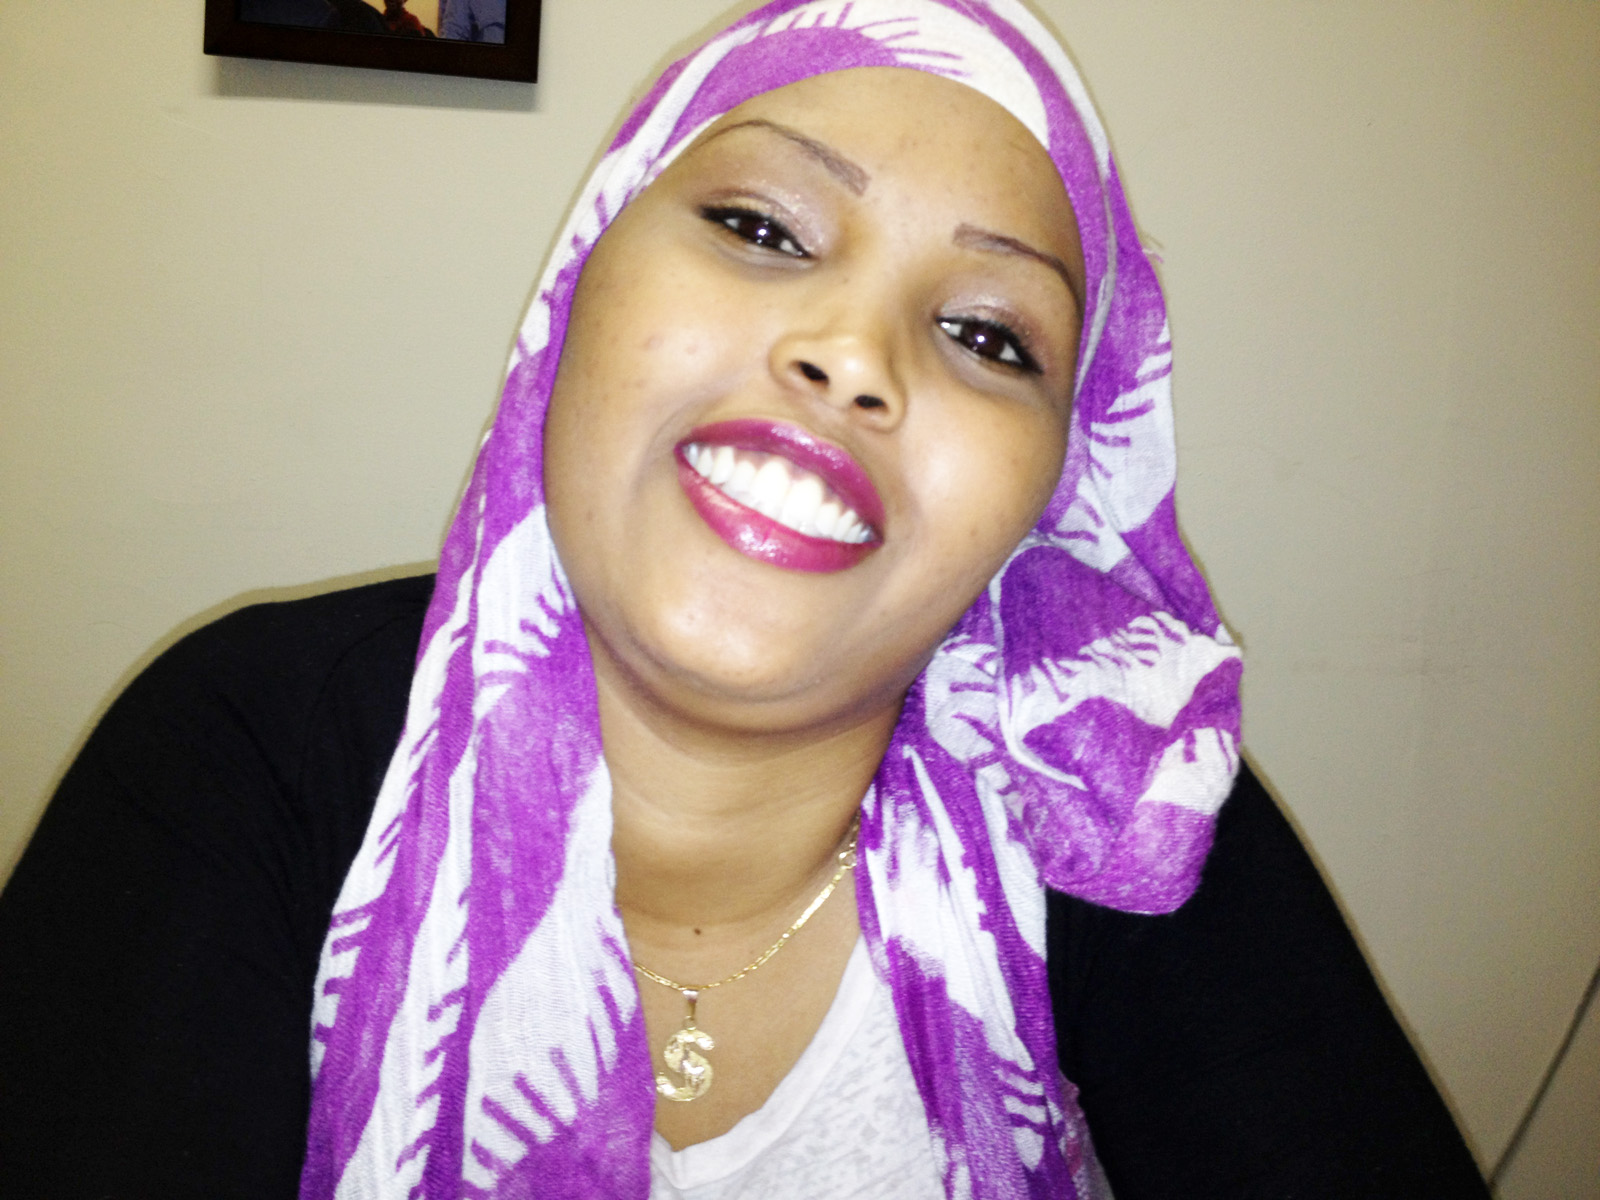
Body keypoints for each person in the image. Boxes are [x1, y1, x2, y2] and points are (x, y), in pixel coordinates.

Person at [0, 1, 1491, 1197]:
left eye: (989, 335)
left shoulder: (1118, 810)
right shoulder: (244, 750)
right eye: (764, 229)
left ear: (1052, 500)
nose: (853, 356)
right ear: (579, 286)